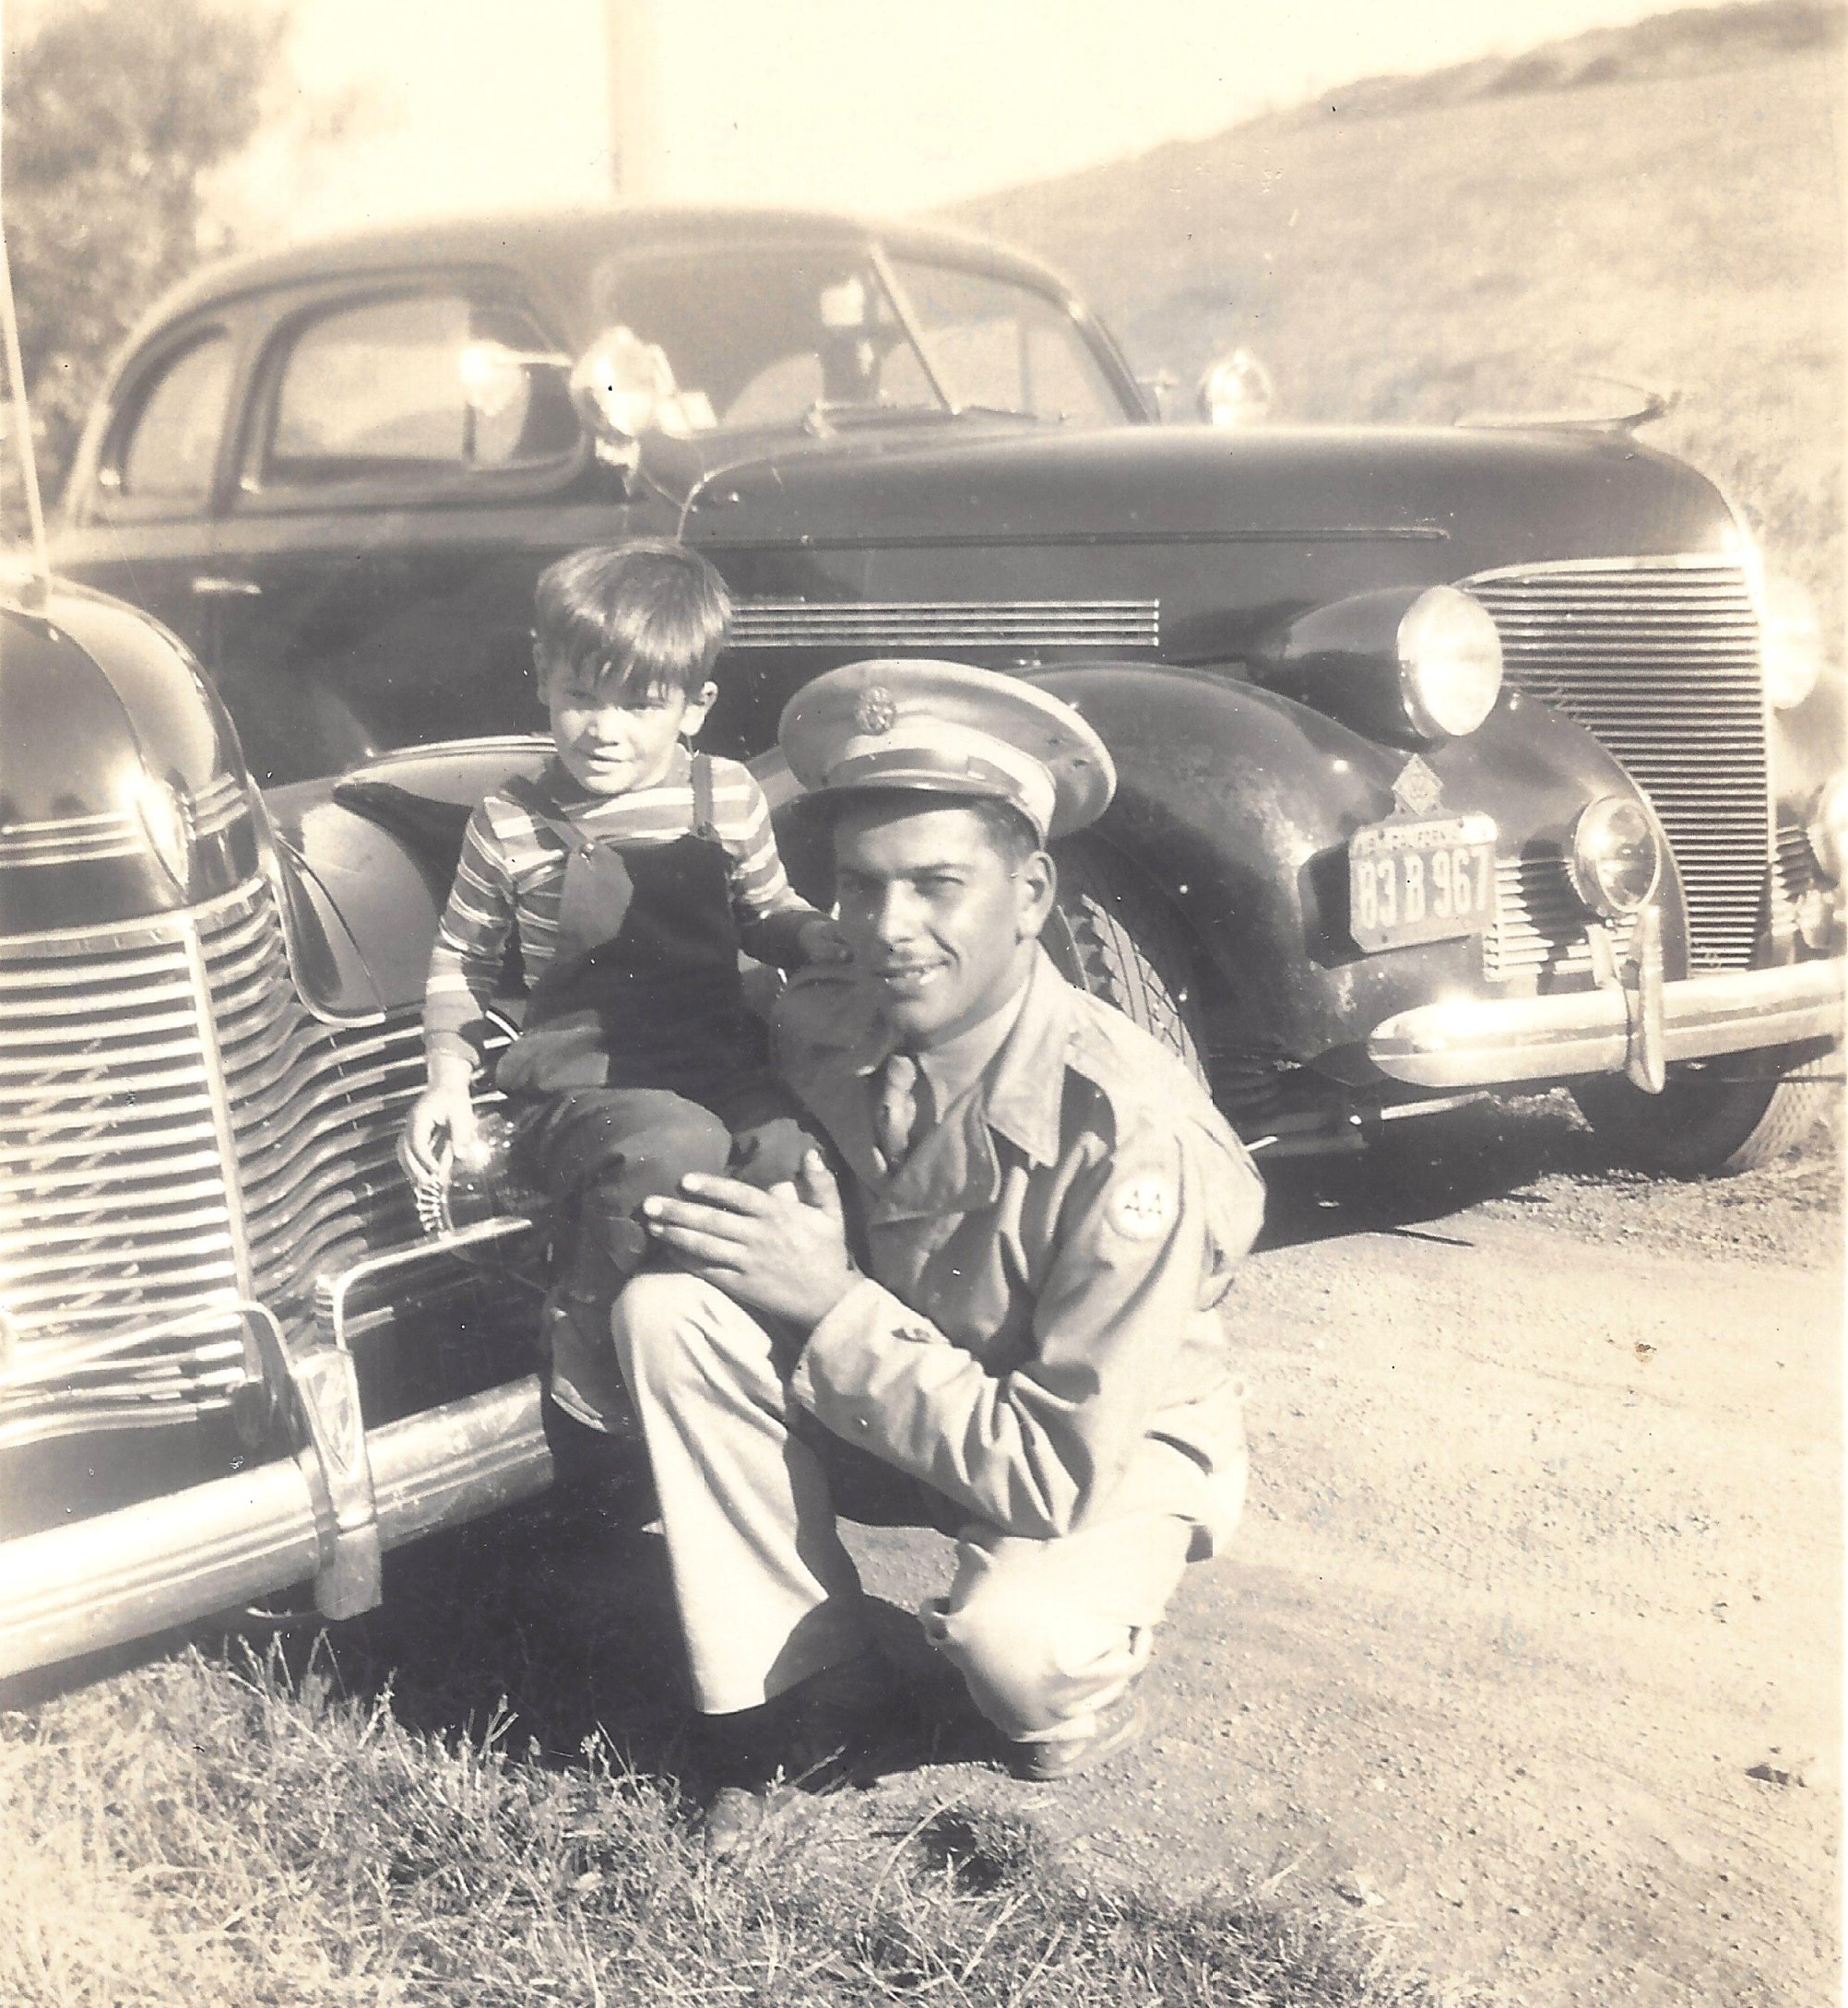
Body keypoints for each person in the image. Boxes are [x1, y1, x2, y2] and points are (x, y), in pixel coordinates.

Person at [621, 659, 1267, 1848]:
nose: (889, 930)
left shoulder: (1129, 1133)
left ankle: (1083, 1657)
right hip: (910, 1391)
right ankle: (808, 1688)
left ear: (1031, 894)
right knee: (674, 1311)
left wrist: (829, 1301)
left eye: (938, 885)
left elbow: (1055, 1466)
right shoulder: (828, 1011)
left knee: (1019, 1662)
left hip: (1090, 1437)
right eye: (861, 888)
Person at [403, 538, 841, 1431]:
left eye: (639, 706)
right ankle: (588, 1328)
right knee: (667, 1143)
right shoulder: (513, 819)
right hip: (582, 1089)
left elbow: (768, 908)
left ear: (694, 707)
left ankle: (778, 1350)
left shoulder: (726, 797)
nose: (604, 729)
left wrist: (821, 936)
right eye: (580, 697)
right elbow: (461, 962)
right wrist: (446, 1080)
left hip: (717, 1061)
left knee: (793, 1152)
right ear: (542, 679)